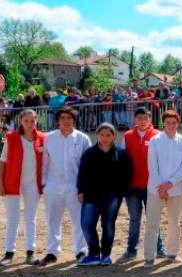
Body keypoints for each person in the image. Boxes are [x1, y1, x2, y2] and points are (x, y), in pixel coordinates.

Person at [40, 108, 92, 265]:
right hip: (53, 186)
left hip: (75, 187)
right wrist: (44, 184)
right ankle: (52, 252)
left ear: (74, 120)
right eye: (63, 118)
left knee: (79, 221)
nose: (66, 120)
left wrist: (84, 188)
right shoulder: (49, 138)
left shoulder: (83, 138)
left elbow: (87, 166)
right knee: (53, 220)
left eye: (69, 117)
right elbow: (44, 163)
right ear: (58, 120)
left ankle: (81, 251)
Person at [76, 123, 132, 266]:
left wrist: (121, 192)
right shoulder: (89, 153)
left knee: (107, 225)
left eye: (108, 135)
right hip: (91, 195)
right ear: (97, 136)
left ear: (114, 136)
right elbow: (82, 174)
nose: (105, 138)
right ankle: (94, 253)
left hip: (112, 197)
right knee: (86, 224)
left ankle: (106, 255)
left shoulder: (121, 153)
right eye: (102, 135)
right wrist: (81, 191)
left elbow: (127, 174)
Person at [0, 110, 45, 266]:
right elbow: (3, 162)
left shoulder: (43, 139)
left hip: (33, 184)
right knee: (13, 219)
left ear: (36, 121)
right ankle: (9, 253)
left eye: (32, 121)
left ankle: (30, 252)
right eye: (26, 121)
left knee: (31, 218)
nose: (30, 124)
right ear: (21, 121)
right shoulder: (11, 138)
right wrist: (0, 184)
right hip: (12, 182)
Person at [144, 110, 182, 267]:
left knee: (174, 222)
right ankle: (149, 256)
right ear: (164, 123)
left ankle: (172, 253)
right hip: (155, 189)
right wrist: (161, 188)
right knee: (152, 223)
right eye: (168, 122)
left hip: (176, 190)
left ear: (178, 123)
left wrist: (170, 184)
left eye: (174, 122)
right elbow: (152, 166)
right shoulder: (155, 141)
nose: (171, 125)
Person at [118, 108, 166, 263]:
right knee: (134, 220)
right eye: (139, 117)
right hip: (131, 187)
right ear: (135, 120)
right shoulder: (127, 136)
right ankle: (131, 250)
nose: (142, 120)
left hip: (151, 187)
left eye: (145, 117)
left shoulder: (157, 136)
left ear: (150, 119)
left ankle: (159, 249)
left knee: (154, 219)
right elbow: (122, 160)